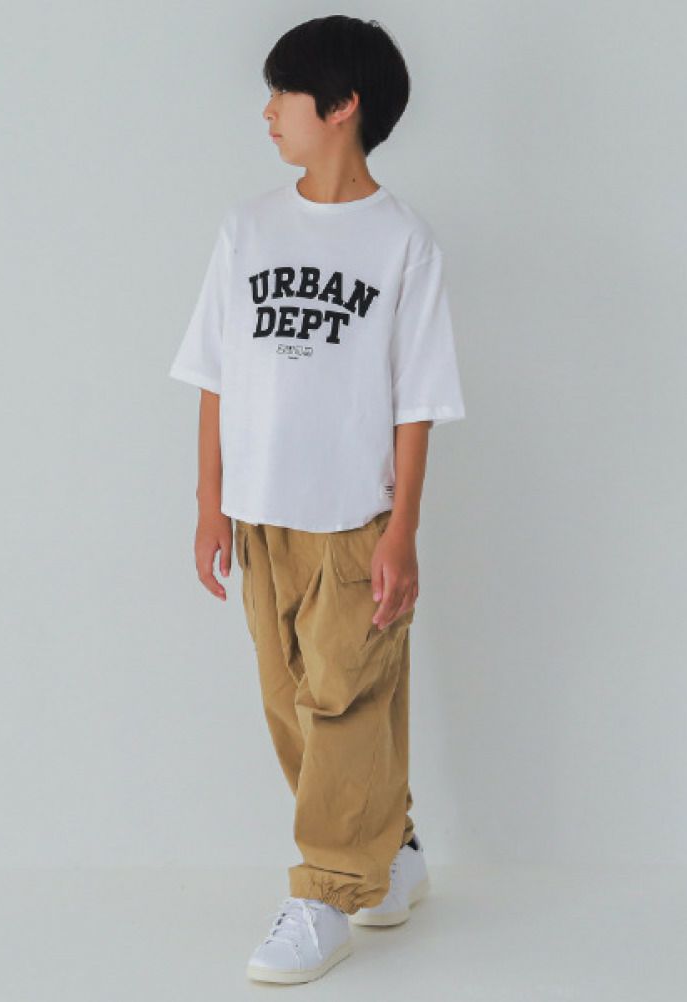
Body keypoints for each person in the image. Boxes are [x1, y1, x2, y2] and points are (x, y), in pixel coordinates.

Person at [168, 14, 466, 985]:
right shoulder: (247, 227)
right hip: (260, 515)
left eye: (283, 94)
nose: (267, 113)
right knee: (292, 702)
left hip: (354, 517)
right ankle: (394, 848)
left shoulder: (403, 242)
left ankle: (326, 891)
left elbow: (418, 400)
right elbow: (214, 375)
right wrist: (210, 503)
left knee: (342, 699)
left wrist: (403, 531)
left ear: (342, 106)